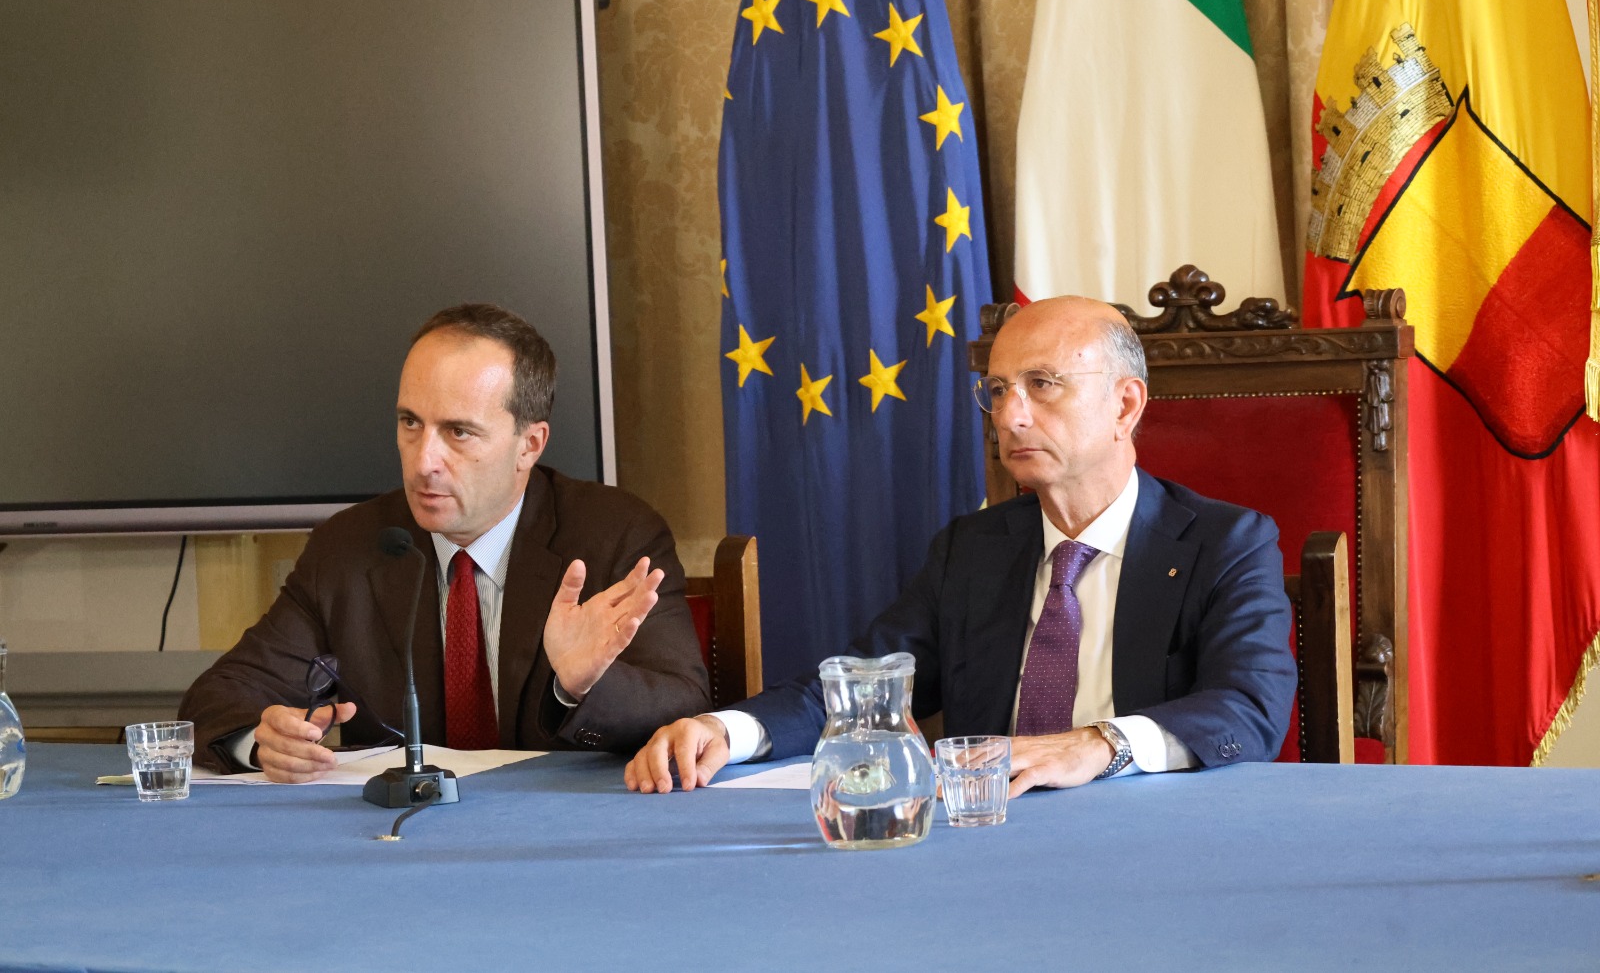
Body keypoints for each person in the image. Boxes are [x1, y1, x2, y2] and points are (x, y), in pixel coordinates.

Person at [625, 296, 1297, 797]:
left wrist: (1098, 746)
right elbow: (866, 684)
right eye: (998, 391)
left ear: (1125, 406)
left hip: (1155, 839)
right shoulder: (973, 550)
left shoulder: (1226, 543)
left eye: (1042, 385)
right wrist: (727, 730)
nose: (1011, 416)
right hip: (988, 835)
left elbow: (1250, 707)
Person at [181, 304, 711, 780]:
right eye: (410, 422)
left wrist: (576, 688)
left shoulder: (613, 536)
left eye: (459, 432)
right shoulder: (352, 546)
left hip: (558, 832)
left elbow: (684, 703)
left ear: (529, 445)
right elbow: (220, 696)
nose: (423, 461)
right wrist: (261, 741)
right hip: (394, 839)